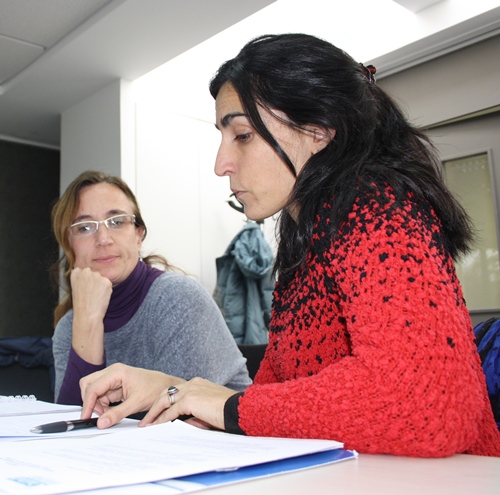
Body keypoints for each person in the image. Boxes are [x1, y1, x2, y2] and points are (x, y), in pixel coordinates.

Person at [79, 34, 500, 457]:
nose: (220, 163)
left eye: (241, 135)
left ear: (317, 130)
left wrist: (224, 405)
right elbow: (276, 400)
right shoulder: (305, 242)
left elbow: (426, 407)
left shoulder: (377, 207)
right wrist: (176, 391)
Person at [51, 171, 251, 405]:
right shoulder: (69, 327)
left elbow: (181, 421)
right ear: (69, 245)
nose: (103, 239)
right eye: (85, 227)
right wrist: (87, 321)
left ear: (138, 235)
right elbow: (70, 427)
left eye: (116, 222)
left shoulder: (177, 299)